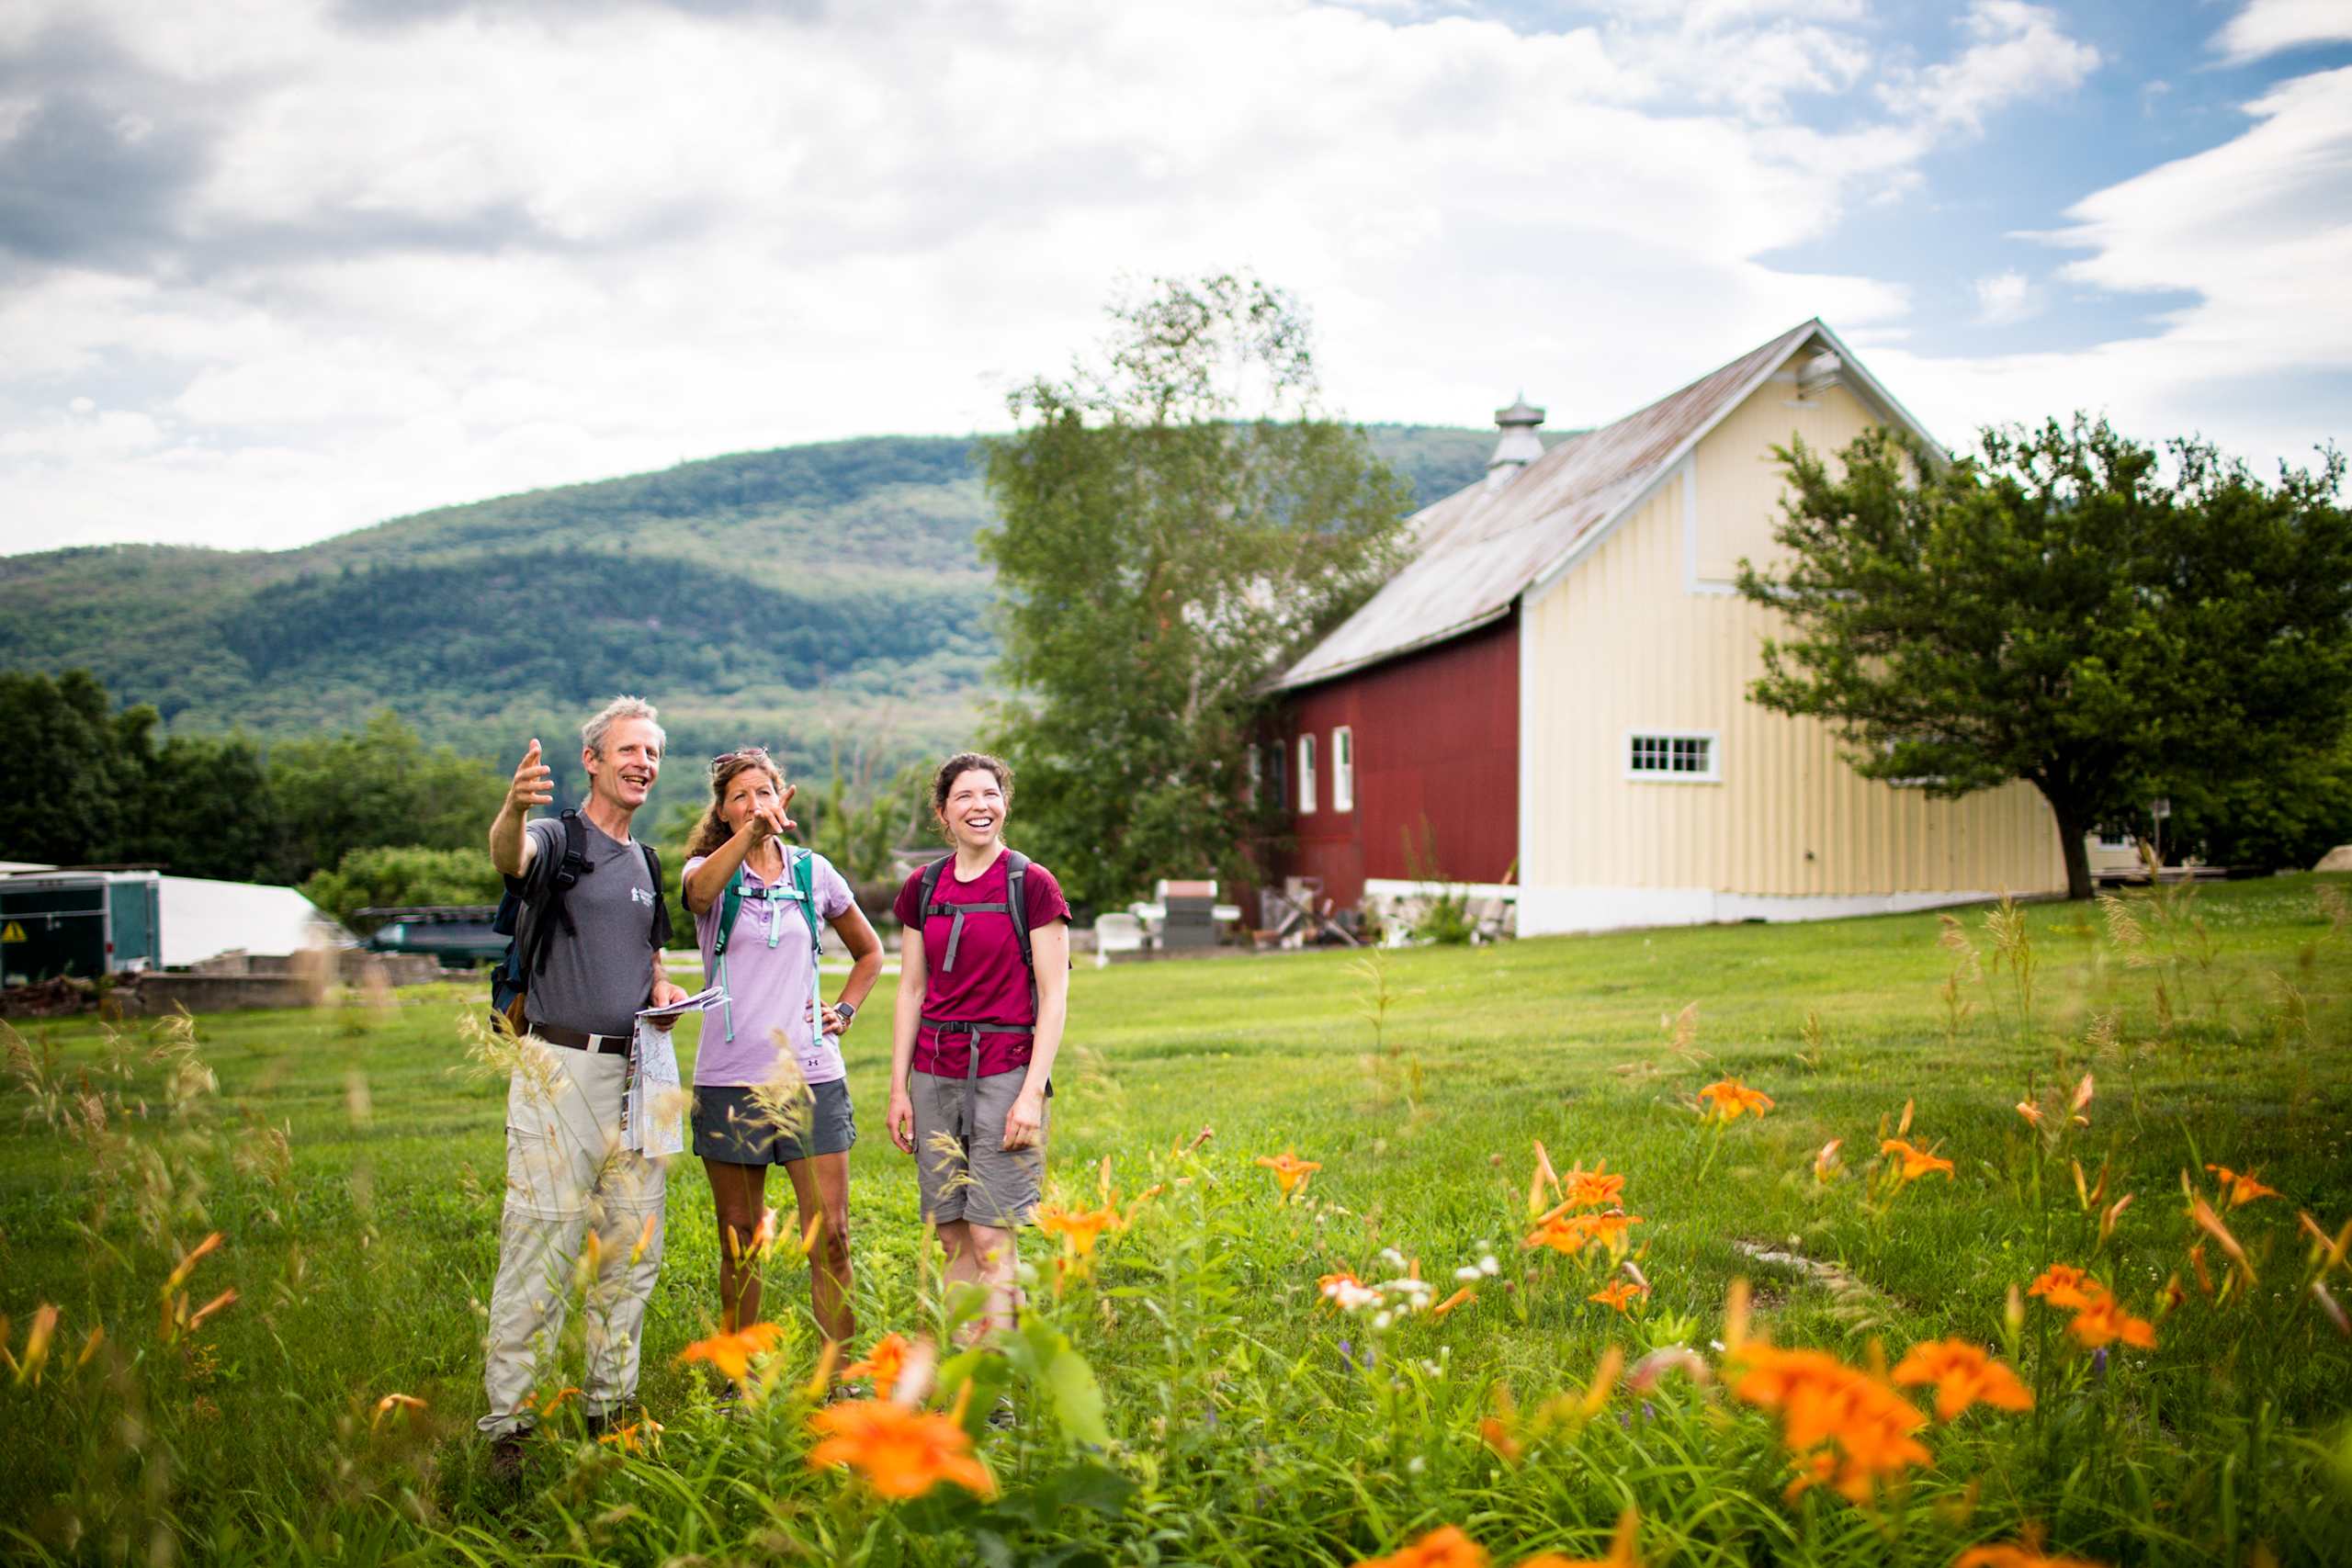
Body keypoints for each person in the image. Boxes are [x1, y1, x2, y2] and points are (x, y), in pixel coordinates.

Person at [480, 695, 690, 1479]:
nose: (645, 763)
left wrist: (664, 990)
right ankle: (509, 1428)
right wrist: (510, 806)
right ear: (595, 759)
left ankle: (612, 1409)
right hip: (558, 1067)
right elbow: (509, 856)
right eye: (630, 750)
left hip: (640, 1073)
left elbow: (649, 956)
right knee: (541, 1238)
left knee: (631, 1248)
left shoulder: (648, 862)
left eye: (655, 754)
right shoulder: (556, 836)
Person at [680, 748, 883, 1357]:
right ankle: (739, 1380)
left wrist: (843, 1009)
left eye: (763, 791)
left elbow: (868, 952)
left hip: (812, 1076)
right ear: (722, 809)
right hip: (729, 1079)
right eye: (739, 795)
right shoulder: (705, 870)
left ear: (781, 797)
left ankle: (839, 1382)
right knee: (740, 1238)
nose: (754, 802)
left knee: (832, 1236)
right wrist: (747, 837)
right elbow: (696, 898)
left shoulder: (813, 872)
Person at [888, 751, 1070, 1352]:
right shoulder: (924, 887)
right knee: (951, 1237)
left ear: (1005, 802)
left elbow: (1054, 994)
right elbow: (911, 988)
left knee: (992, 1238)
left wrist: (1030, 1095)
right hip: (934, 1076)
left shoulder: (1031, 884)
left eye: (989, 793)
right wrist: (899, 1088)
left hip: (1004, 1075)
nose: (979, 806)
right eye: (964, 796)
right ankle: (969, 1373)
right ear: (943, 813)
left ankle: (996, 1391)